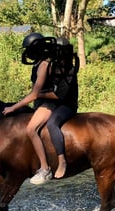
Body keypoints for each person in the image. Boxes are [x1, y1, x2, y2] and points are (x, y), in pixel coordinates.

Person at [2, 32, 57, 185]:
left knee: (31, 129)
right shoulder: (37, 64)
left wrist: (14, 107)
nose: (27, 53)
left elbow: (35, 93)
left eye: (28, 49)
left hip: (50, 103)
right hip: (40, 102)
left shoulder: (44, 65)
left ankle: (45, 169)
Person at [38, 37, 79, 178]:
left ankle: (62, 160)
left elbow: (58, 96)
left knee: (52, 123)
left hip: (66, 105)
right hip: (52, 103)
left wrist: (38, 94)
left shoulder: (70, 70)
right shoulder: (53, 66)